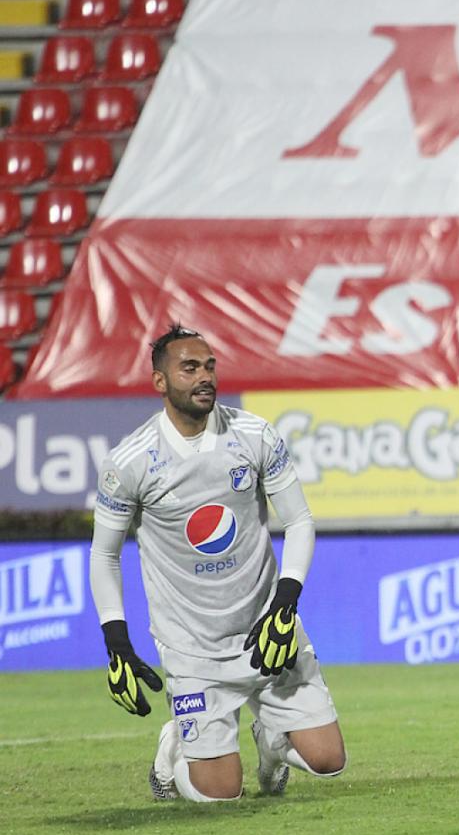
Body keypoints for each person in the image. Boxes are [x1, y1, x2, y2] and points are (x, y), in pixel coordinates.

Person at [91, 324, 346, 802]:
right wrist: (115, 639)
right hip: (193, 649)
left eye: (209, 366)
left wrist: (285, 603)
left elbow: (300, 522)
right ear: (160, 381)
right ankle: (173, 750)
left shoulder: (253, 435)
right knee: (219, 795)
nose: (204, 376)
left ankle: (272, 741)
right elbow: (104, 554)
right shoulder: (129, 461)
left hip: (267, 631)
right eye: (189, 368)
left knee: (329, 762)